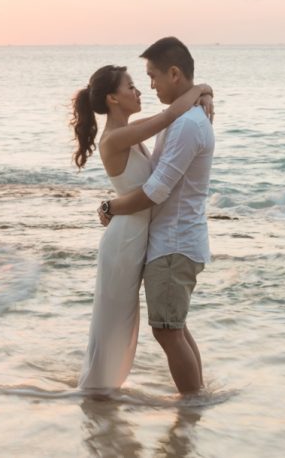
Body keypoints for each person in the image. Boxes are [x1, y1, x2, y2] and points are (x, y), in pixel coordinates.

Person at [71, 64, 213, 391]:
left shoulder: (129, 131)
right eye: (131, 87)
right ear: (112, 98)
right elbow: (169, 116)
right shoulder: (118, 136)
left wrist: (203, 92)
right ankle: (97, 392)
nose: (138, 92)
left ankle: (105, 392)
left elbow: (174, 113)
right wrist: (202, 87)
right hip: (123, 241)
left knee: (148, 323)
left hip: (136, 235)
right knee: (114, 322)